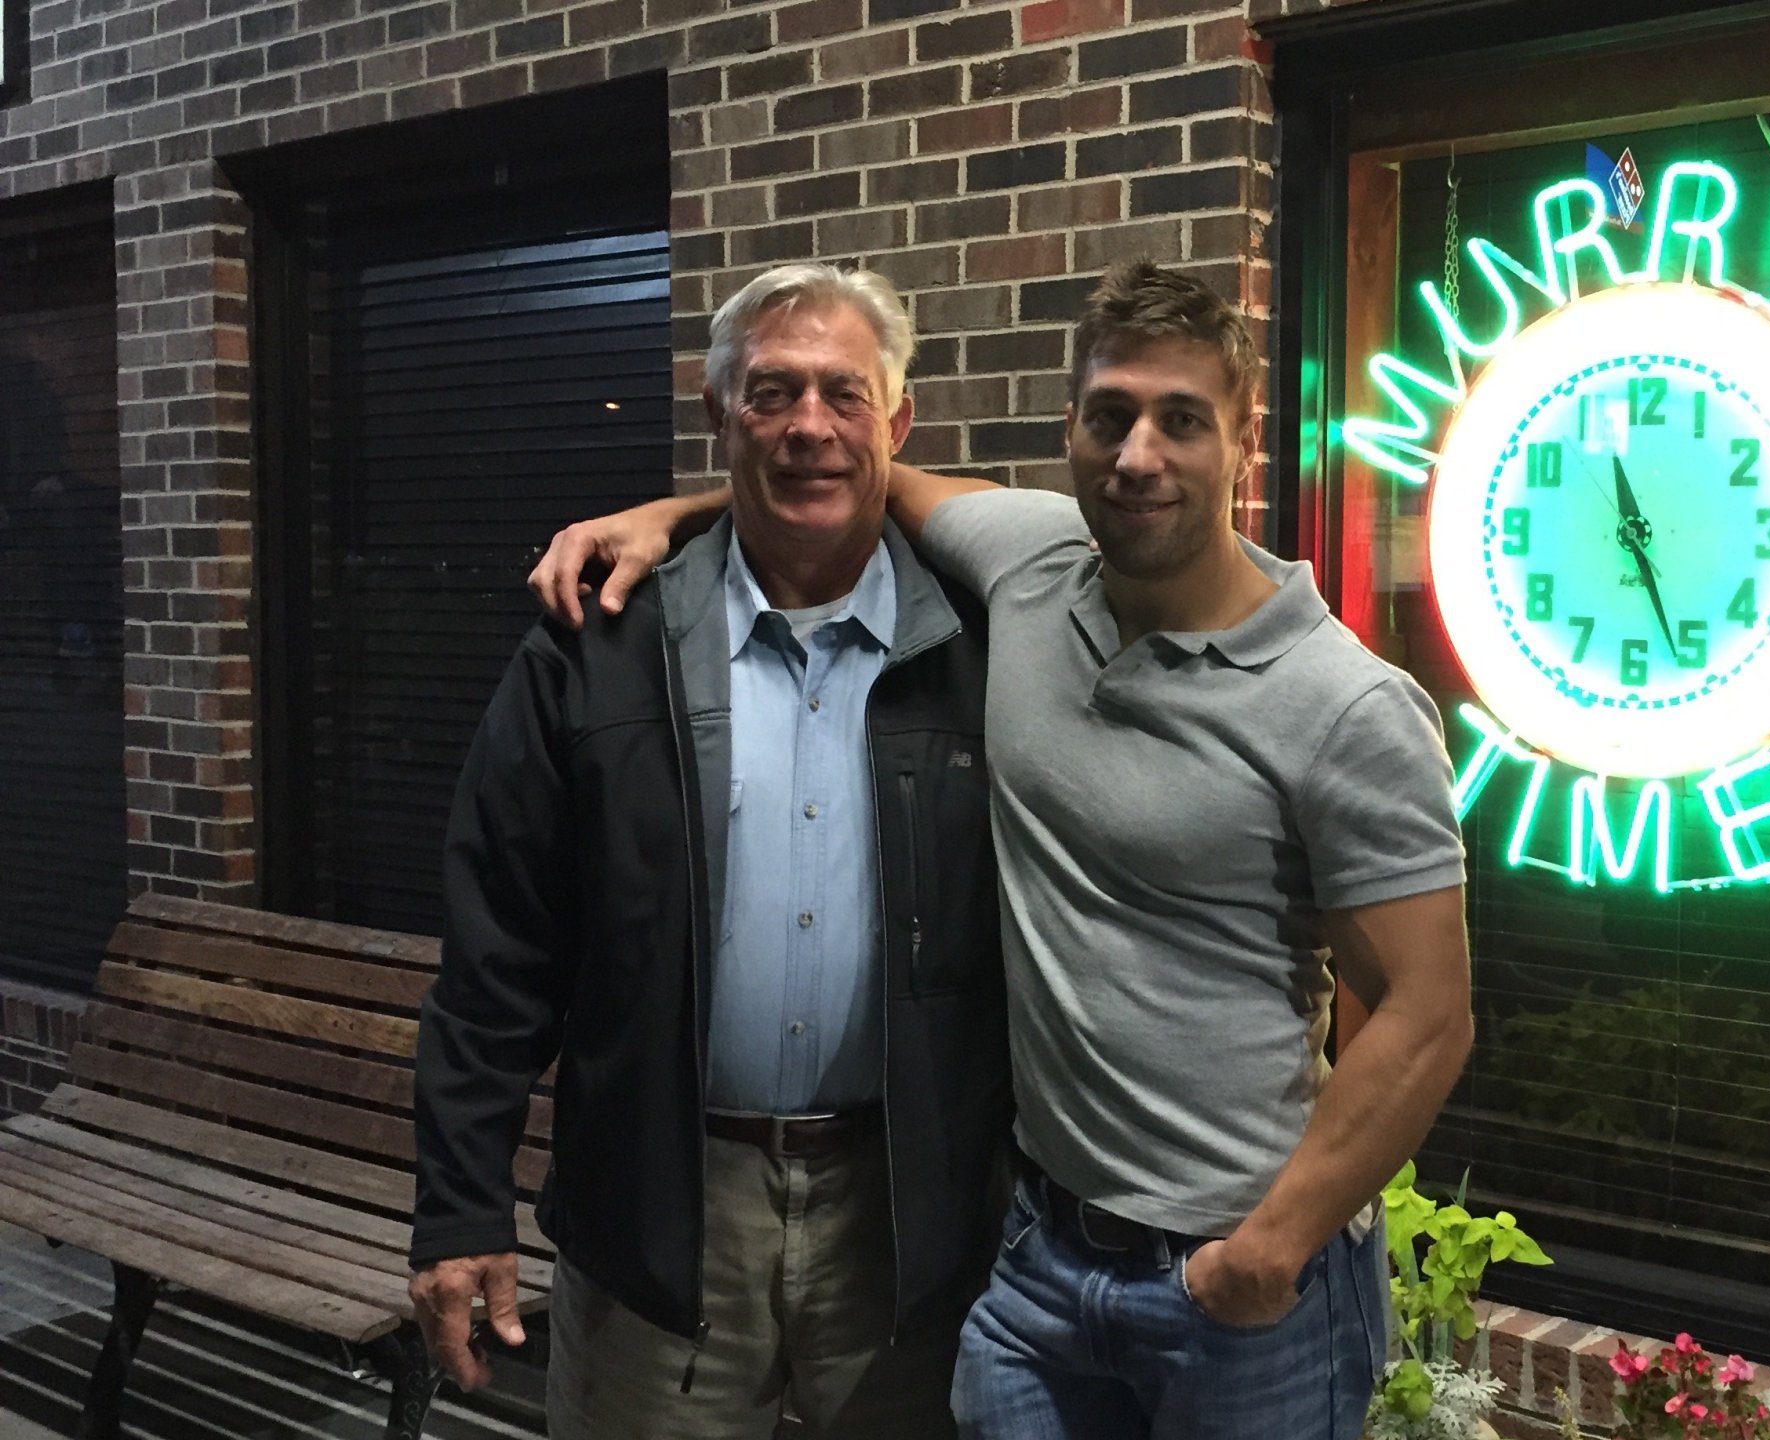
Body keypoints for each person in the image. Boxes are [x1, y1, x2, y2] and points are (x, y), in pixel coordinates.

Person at [529, 260, 1475, 1438]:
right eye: (1110, 415)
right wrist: (669, 516)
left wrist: (1265, 1252)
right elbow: (832, 466)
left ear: (1245, 440)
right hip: (1035, 1265)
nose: (1139, 455)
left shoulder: (1345, 704)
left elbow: (1425, 1016)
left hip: (1239, 1283)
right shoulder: (1032, 564)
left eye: (1182, 420)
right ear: (1069, 429)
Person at [412, 263, 1010, 1440]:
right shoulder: (596, 647)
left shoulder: (988, 641)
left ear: (899, 425)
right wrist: (459, 1208)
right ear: (716, 414)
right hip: (662, 1206)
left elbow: (1107, 522)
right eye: (770, 393)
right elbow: (499, 950)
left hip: (906, 1217)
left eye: (845, 395)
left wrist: (682, 506)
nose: (807, 426)